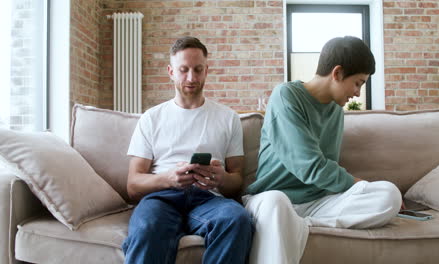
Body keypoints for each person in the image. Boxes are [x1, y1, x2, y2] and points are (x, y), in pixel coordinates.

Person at [244, 36, 402, 264]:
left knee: (389, 194)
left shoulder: (336, 111)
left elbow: (327, 173)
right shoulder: (286, 96)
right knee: (277, 203)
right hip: (271, 198)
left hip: (316, 205)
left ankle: (298, 224)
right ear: (337, 73)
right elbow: (310, 167)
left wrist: (366, 189)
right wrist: (357, 182)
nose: (357, 93)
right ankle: (289, 221)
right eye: (358, 83)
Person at [122, 36, 253, 264]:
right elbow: (133, 185)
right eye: (183, 70)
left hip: (209, 200)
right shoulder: (151, 118)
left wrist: (221, 179)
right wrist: (169, 179)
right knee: (146, 227)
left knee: (237, 219)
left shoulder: (228, 118)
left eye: (198, 70)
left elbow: (237, 181)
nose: (191, 78)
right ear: (171, 71)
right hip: (161, 199)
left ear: (206, 71)